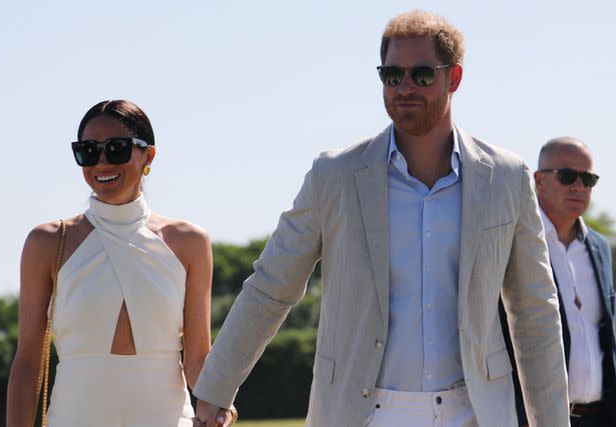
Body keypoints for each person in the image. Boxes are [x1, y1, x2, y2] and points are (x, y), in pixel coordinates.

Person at [193, 10, 569, 427]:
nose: (404, 87)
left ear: (455, 78)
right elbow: (270, 288)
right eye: (392, 75)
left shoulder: (507, 177)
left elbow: (535, 312)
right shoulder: (333, 176)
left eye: (421, 75)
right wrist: (214, 390)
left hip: (474, 412)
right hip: (363, 413)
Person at [6, 100, 215, 427]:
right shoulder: (46, 242)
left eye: (116, 148)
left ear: (148, 156)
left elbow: (199, 358)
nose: (102, 162)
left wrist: (220, 404)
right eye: (88, 151)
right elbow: (28, 360)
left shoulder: (190, 242)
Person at [504, 138, 615, 427]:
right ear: (539, 181)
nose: (579, 187)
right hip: (535, 417)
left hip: (599, 416)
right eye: (567, 176)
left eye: (588, 179)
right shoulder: (515, 241)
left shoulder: (600, 248)